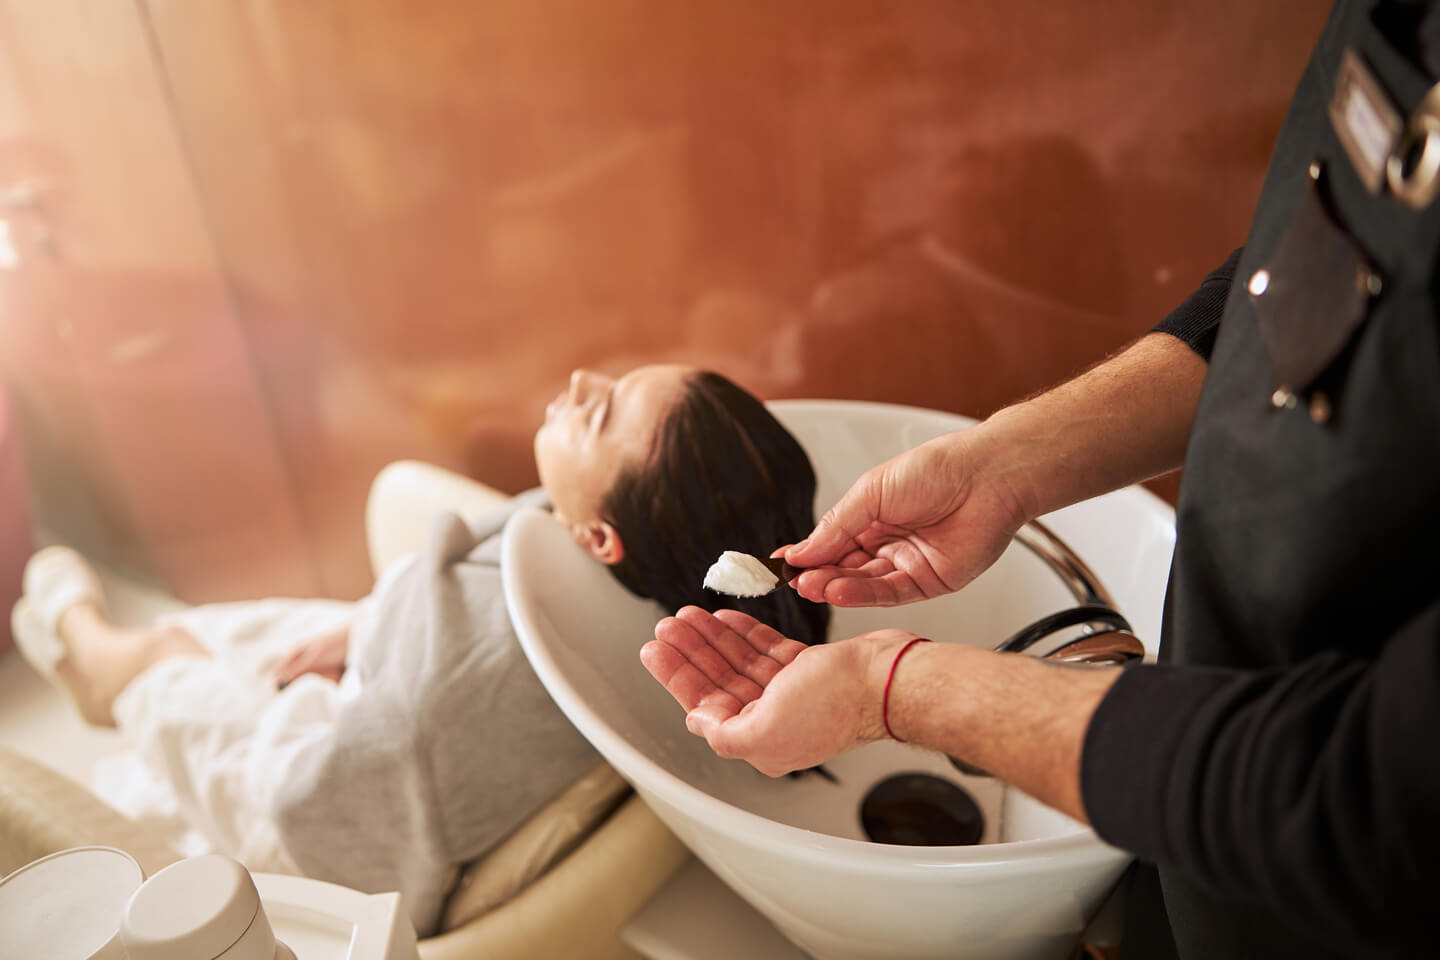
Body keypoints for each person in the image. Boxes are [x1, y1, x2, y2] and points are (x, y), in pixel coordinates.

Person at [641, 3, 1440, 956]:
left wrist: (890, 691)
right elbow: (1310, 253)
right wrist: (1007, 462)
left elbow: (1367, 791)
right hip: (1189, 828)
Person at [10, 364, 829, 938]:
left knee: (165, 652)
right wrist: (364, 630)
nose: (580, 383)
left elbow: (328, 794)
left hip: (306, 796)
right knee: (245, 637)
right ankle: (137, 653)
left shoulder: (466, 683)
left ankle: (90, 647)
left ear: (600, 538)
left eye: (601, 412)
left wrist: (333, 700)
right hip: (380, 667)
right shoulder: (648, 571)